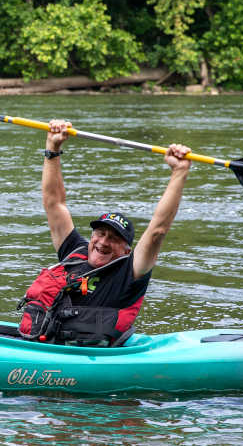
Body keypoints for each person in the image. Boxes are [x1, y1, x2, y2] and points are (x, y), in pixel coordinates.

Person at [18, 119, 192, 346]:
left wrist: (179, 172)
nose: (103, 241)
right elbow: (54, 203)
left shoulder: (130, 273)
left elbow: (157, 230)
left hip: (85, 359)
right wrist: (53, 148)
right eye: (99, 233)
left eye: (114, 238)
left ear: (125, 250)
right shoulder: (76, 251)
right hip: (41, 341)